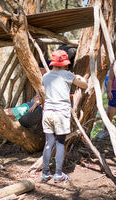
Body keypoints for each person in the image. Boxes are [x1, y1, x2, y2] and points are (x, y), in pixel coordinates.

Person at [41, 50, 88, 183]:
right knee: (60, 142)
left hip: (48, 112)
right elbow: (84, 85)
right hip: (61, 112)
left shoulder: (45, 76)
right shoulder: (67, 74)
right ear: (65, 63)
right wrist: (79, 77)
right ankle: (58, 174)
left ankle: (45, 174)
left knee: (48, 142)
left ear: (53, 62)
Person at [97, 66, 116, 139]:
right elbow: (110, 79)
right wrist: (109, 91)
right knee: (110, 112)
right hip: (114, 91)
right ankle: (105, 130)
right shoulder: (114, 65)